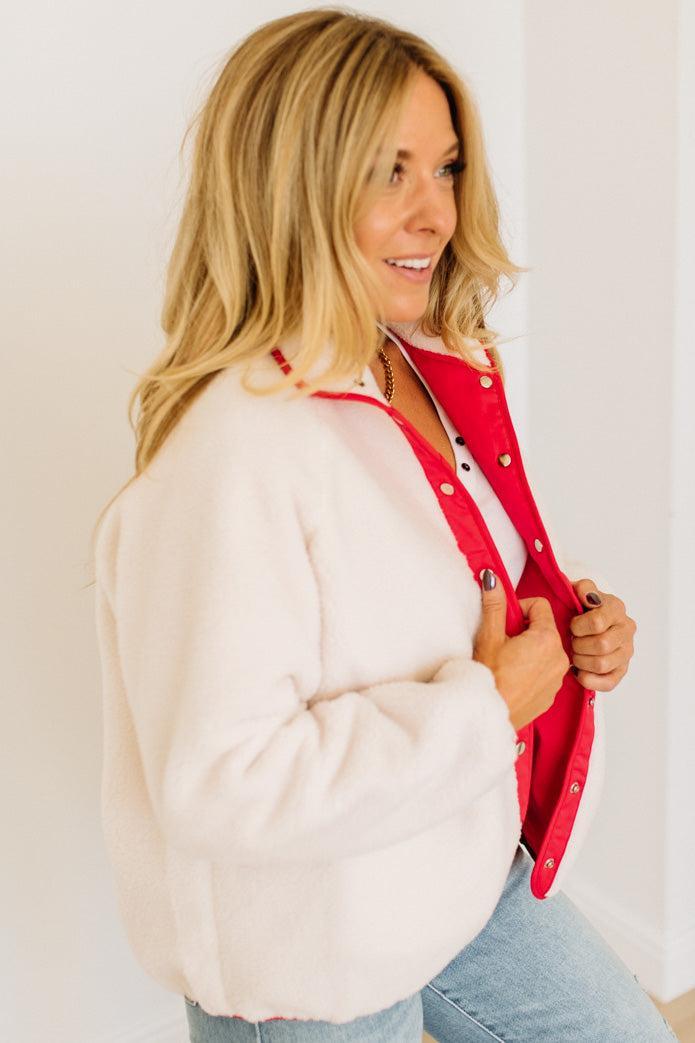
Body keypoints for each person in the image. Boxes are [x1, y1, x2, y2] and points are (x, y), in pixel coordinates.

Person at [91, 8, 673, 1042]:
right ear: (290, 188)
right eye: (387, 172)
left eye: (444, 168)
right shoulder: (231, 454)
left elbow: (418, 581)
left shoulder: (412, 363)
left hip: (455, 859)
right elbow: (222, 784)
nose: (434, 213)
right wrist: (487, 706)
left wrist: (562, 624)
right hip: (312, 954)